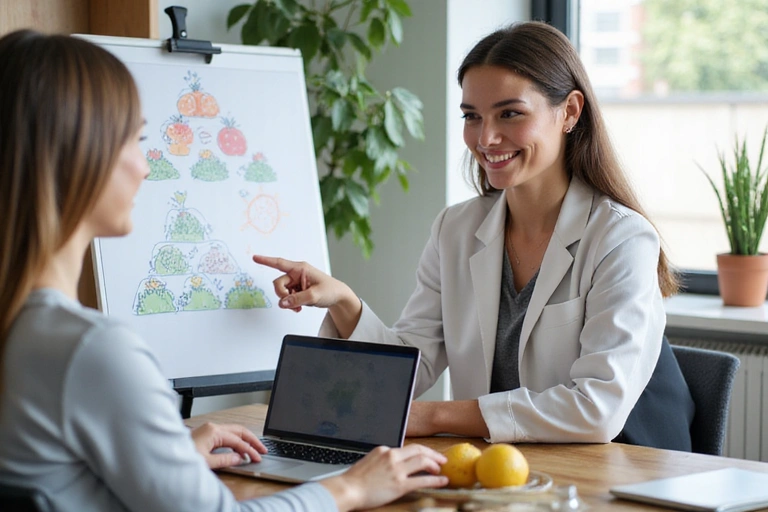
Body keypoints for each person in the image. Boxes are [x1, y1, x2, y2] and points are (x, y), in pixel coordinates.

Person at [0, 29, 448, 512]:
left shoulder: (23, 332)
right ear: (75, 157)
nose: (146, 166)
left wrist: (166, 459)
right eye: (136, 139)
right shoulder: (89, 350)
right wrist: (351, 488)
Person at [253, 21, 695, 450]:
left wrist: (433, 416)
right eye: (472, 116)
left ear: (570, 112)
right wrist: (344, 301)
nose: (486, 137)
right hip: (508, 463)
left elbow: (597, 408)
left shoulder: (622, 238)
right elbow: (415, 362)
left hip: (624, 463)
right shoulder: (456, 229)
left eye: (510, 114)